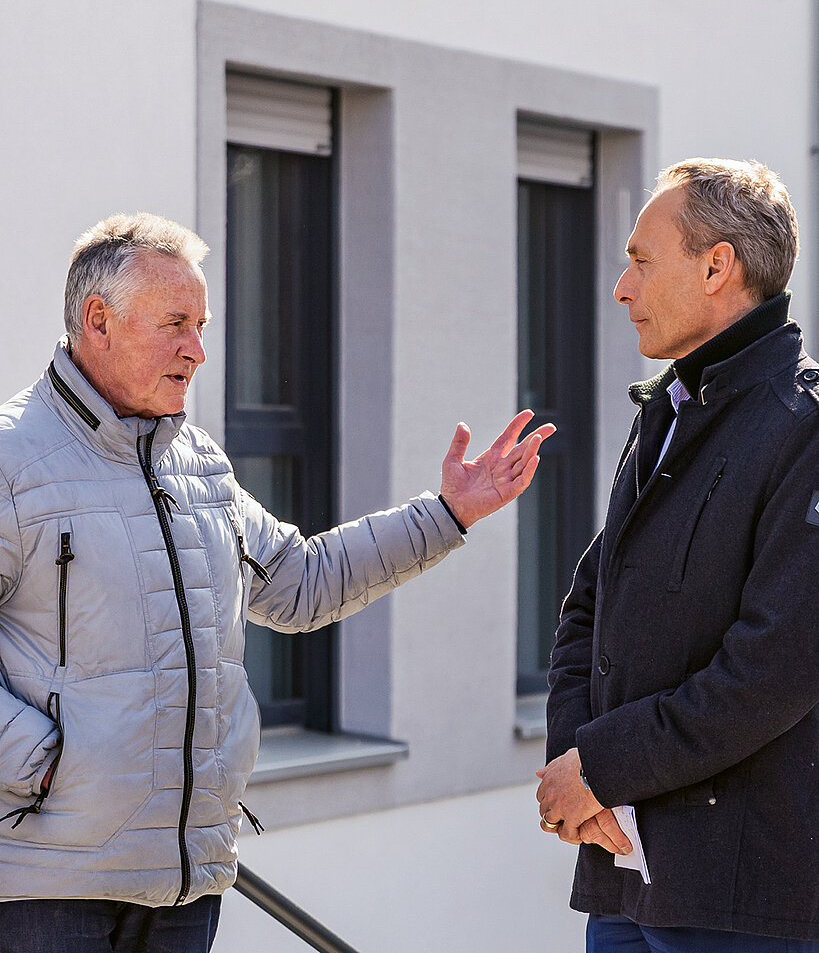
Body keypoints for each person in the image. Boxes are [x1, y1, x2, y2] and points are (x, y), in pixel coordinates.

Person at [0, 212, 552, 953]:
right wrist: (39, 764)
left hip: (186, 883)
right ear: (98, 321)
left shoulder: (198, 464)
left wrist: (448, 514)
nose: (198, 350)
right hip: (45, 887)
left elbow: (300, 582)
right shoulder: (12, 460)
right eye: (176, 325)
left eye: (202, 326)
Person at [536, 158, 819, 952]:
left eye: (640, 260)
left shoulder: (803, 426)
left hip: (739, 901)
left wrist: (598, 769)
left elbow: (772, 671)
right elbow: (589, 605)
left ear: (716, 267)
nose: (620, 288)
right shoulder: (666, 410)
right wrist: (573, 764)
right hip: (622, 873)